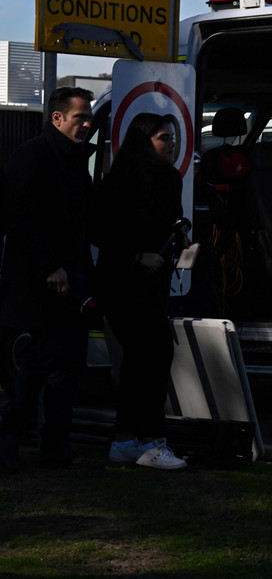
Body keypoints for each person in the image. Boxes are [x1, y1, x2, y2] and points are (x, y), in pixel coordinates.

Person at [0, 87, 95, 469]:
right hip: (43, 282)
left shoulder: (72, 158)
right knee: (45, 361)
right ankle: (14, 436)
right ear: (57, 118)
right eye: (80, 117)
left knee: (66, 364)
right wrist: (50, 266)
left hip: (69, 277)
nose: (86, 124)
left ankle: (51, 444)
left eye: (88, 117)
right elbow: (22, 217)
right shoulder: (33, 156)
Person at [91, 113, 188, 470]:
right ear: (143, 141)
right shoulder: (121, 180)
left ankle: (128, 440)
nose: (172, 144)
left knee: (141, 361)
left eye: (173, 137)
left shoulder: (169, 177)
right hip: (124, 283)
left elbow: (166, 223)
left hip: (153, 284)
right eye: (164, 137)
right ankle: (149, 440)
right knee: (151, 357)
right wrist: (136, 256)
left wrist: (179, 242)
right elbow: (100, 230)